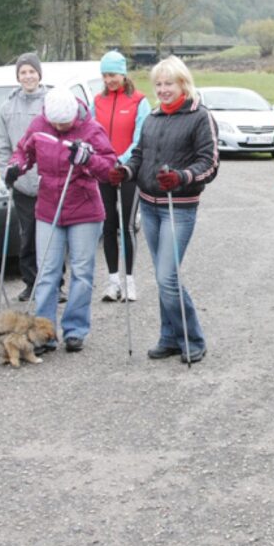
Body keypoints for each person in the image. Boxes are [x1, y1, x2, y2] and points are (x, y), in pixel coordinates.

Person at [110, 56, 218, 364]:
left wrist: (182, 177)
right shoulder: (153, 118)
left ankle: (192, 338)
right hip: (150, 204)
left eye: (169, 83)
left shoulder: (200, 117)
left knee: (167, 277)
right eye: (158, 83)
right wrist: (127, 172)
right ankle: (169, 337)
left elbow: (209, 163)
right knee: (161, 276)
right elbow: (140, 155)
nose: (163, 89)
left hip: (178, 207)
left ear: (183, 83)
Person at [7, 88, 115, 352]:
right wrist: (16, 166)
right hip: (48, 208)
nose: (59, 127)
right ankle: (44, 332)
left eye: (64, 123)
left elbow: (111, 168)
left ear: (74, 115)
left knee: (82, 271)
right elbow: (23, 152)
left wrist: (88, 159)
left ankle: (75, 330)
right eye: (55, 123)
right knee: (47, 272)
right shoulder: (40, 125)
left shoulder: (91, 129)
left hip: (84, 210)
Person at [93, 49, 149, 302]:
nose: (108, 80)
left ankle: (130, 281)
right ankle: (113, 280)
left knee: (127, 226)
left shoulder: (139, 101)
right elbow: (93, 134)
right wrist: (105, 161)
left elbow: (140, 138)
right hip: (104, 170)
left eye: (112, 74)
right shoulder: (98, 101)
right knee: (108, 225)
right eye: (105, 75)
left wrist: (121, 160)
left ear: (123, 74)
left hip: (128, 171)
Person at [0, 52, 48, 303]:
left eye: (31, 72)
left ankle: (53, 282)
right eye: (23, 73)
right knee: (27, 235)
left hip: (48, 181)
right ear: (18, 77)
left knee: (50, 236)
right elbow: (3, 144)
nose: (28, 76)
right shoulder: (7, 106)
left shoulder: (51, 101)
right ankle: (30, 282)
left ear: (39, 74)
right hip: (22, 182)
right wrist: (6, 171)